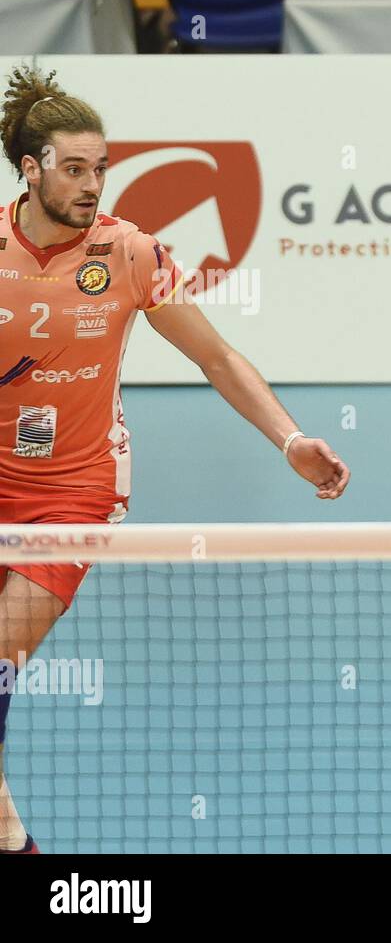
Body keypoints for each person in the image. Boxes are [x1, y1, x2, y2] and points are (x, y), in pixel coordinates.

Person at [0, 66, 350, 854]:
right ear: (31, 169)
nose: (94, 185)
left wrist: (289, 438)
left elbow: (218, 358)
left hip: (75, 489)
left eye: (102, 167)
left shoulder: (128, 252)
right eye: (75, 168)